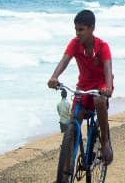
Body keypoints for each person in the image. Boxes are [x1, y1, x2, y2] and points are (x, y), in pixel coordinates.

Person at [48, 9, 114, 164]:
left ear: (92, 28)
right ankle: (64, 174)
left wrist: (108, 88)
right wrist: (54, 77)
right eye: (76, 29)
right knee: (74, 123)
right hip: (83, 87)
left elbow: (108, 69)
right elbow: (64, 61)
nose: (78, 33)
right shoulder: (75, 44)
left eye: (81, 30)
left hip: (101, 85)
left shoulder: (102, 46)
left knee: (99, 101)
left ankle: (105, 141)